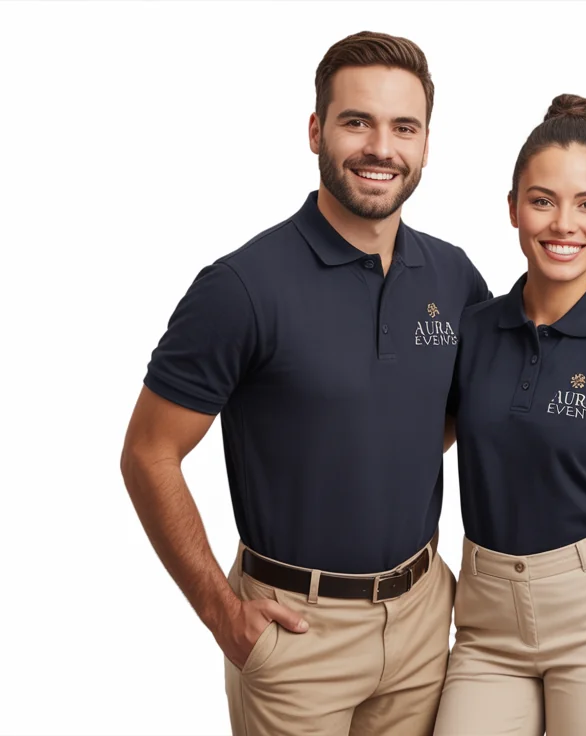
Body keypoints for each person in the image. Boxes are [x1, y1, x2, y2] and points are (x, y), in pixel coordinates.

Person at [118, 31, 490, 736]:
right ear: (317, 130)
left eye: (403, 127)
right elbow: (147, 453)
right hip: (295, 634)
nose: (382, 147)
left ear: (426, 144)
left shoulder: (453, 276)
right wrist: (223, 615)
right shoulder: (242, 287)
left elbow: (459, 411)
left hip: (421, 624)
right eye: (358, 122)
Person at [431, 94, 586, 736]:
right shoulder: (476, 329)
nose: (563, 224)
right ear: (513, 206)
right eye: (542, 200)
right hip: (485, 619)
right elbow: (419, 447)